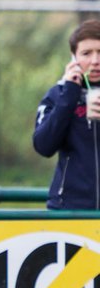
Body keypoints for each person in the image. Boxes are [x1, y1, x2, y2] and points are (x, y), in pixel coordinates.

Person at [33, 19, 100, 209]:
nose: (95, 61)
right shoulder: (58, 95)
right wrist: (69, 95)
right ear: (74, 58)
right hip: (69, 209)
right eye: (87, 53)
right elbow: (43, 146)